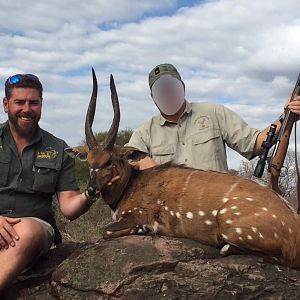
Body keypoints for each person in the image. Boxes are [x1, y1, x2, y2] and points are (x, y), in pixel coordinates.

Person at [0, 74, 98, 291]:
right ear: (6, 104)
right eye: (20, 102)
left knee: (25, 232)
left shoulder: (58, 148)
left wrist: (91, 192)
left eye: (33, 103)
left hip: (34, 230)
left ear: (41, 105)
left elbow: (69, 208)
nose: (27, 109)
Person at [118, 63, 300, 173]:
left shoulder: (214, 112)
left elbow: (254, 143)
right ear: (153, 97)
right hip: (169, 215)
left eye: (171, 87)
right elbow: (123, 159)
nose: (167, 93)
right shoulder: (144, 132)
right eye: (160, 90)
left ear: (182, 87)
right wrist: (143, 162)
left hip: (215, 208)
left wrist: (287, 115)